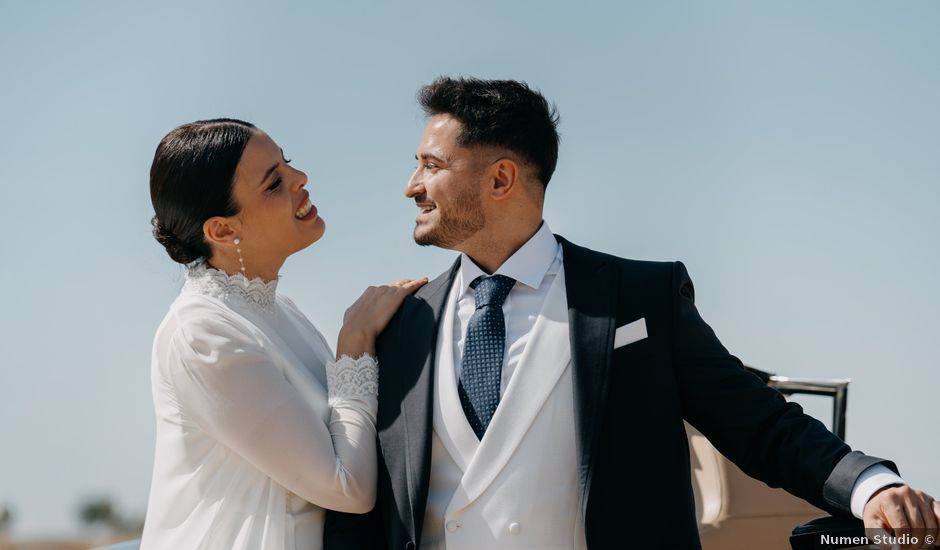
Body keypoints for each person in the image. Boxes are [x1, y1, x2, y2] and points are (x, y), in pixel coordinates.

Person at [324, 78, 940, 549]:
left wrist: (870, 487)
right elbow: (362, 508)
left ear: (502, 178)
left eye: (431, 166)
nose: (411, 185)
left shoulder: (639, 298)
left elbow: (760, 424)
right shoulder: (400, 323)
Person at [141, 118, 425, 550]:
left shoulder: (279, 310)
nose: (300, 178)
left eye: (287, 162)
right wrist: (354, 344)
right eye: (274, 183)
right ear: (222, 230)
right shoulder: (203, 334)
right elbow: (347, 488)